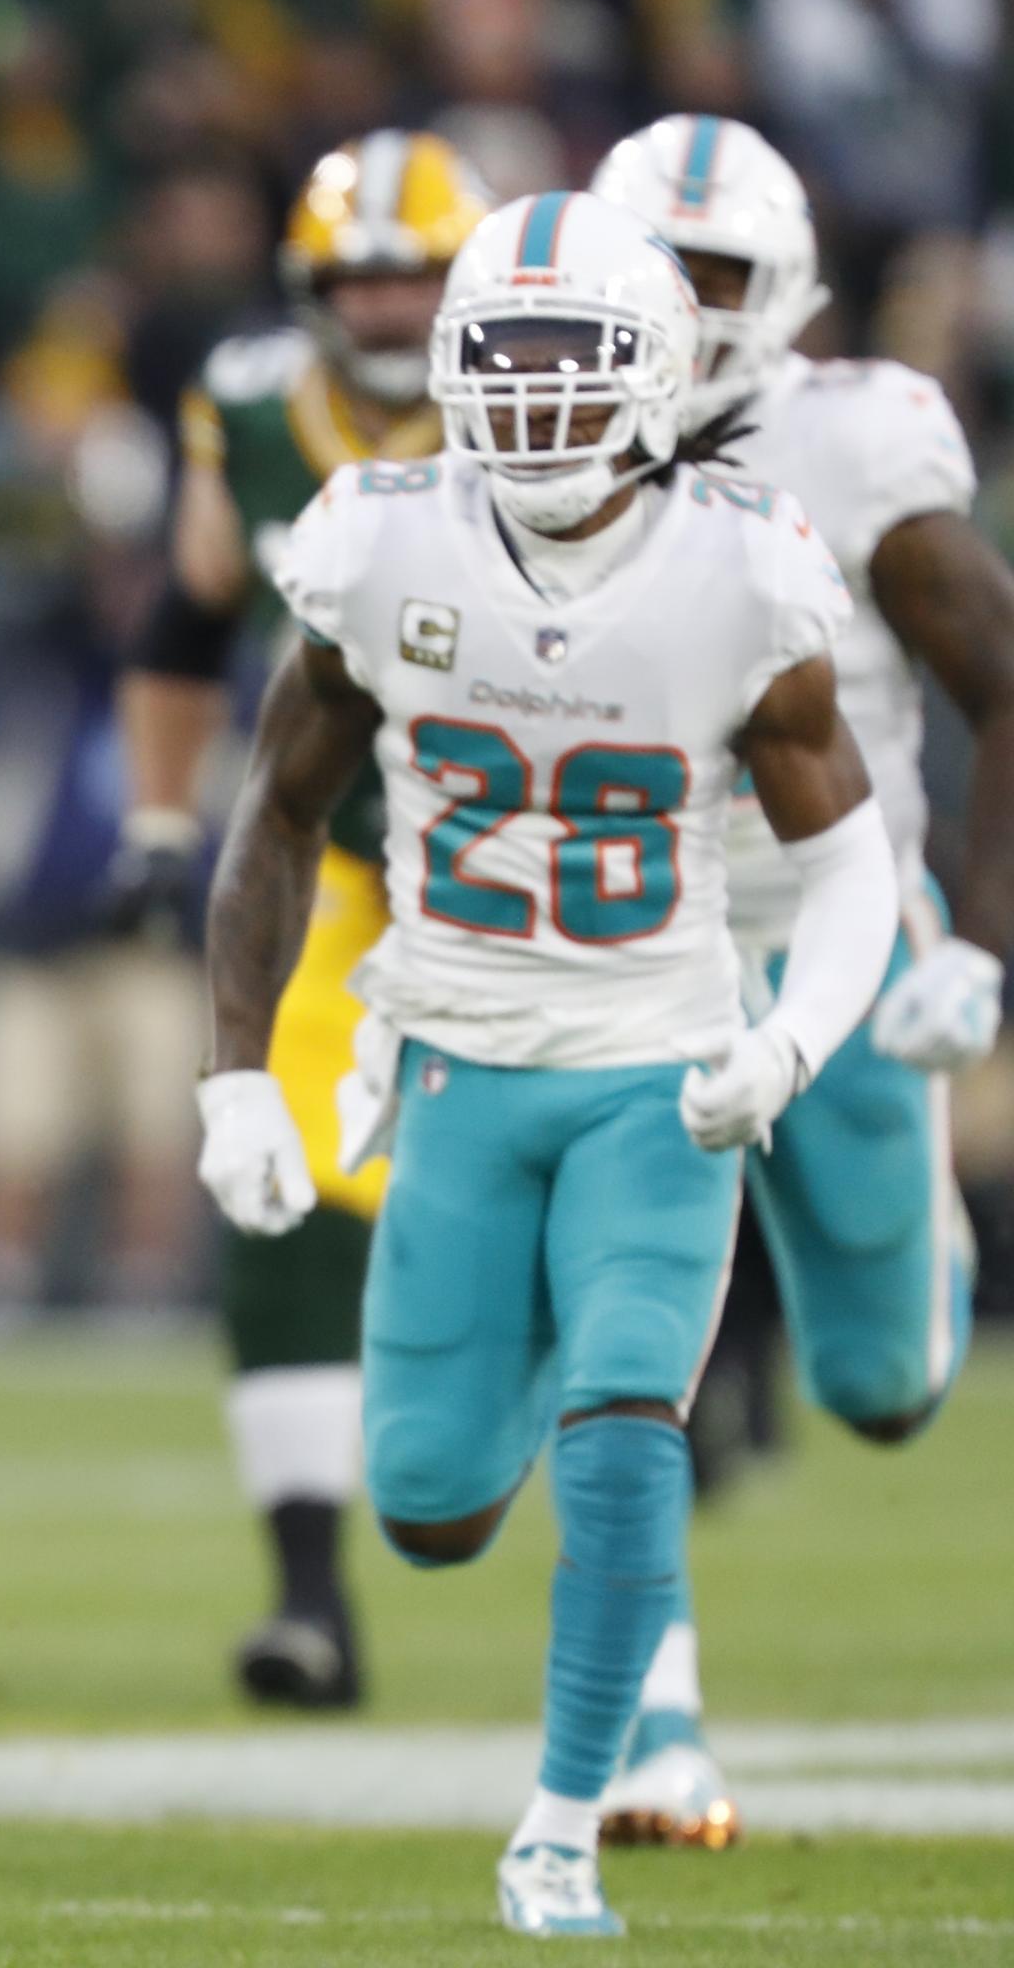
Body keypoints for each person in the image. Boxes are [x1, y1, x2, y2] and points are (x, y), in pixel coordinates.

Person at [195, 188, 894, 1936]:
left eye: (572, 358)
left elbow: (855, 859)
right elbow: (275, 814)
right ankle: (538, 1370)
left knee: (624, 1432)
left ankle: (567, 1823)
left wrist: (796, 1036)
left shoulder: (741, 559)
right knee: (426, 1507)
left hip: (661, 1066)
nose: (529, 395)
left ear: (654, 369)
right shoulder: (383, 538)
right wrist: (235, 1077)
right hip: (459, 1061)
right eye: (497, 355)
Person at [585, 115, 1013, 1846]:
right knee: (623, 1352)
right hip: (617, 943)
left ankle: (903, 1262)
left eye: (719, 278)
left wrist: (975, 940)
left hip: (841, 924)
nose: (683, 310)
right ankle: (653, 1730)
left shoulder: (857, 442)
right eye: (656, 268)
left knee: (887, 1385)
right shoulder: (507, 441)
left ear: (790, 295)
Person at [108, 131, 489, 1709]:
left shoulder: (543, 393)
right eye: (364, 276)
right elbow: (192, 612)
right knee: (274, 1188)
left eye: (419, 272)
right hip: (338, 858)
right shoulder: (257, 407)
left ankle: (727, 1361)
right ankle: (313, 1599)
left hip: (540, 859)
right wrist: (158, 814)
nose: (392, 304)